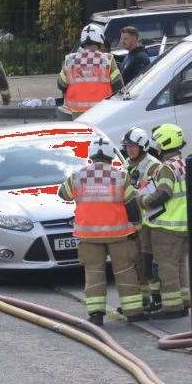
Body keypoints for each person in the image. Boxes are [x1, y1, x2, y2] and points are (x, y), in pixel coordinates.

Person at [57, 136, 145, 326]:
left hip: (88, 236)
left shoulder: (78, 176)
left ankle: (96, 315)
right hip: (119, 235)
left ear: (90, 156)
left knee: (94, 273)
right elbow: (131, 204)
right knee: (125, 271)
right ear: (110, 156)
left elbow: (62, 194)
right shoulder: (121, 176)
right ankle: (134, 313)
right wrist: (136, 226)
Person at [138, 123, 190, 319]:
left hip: (166, 228)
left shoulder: (167, 168)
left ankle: (172, 308)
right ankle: (184, 302)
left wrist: (144, 201)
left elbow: (163, 194)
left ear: (164, 143)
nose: (156, 147)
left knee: (166, 267)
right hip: (184, 225)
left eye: (158, 143)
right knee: (180, 266)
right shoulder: (184, 164)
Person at [121, 127, 163, 313]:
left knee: (149, 262)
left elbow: (155, 194)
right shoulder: (128, 164)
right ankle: (143, 300)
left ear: (143, 146)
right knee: (137, 262)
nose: (130, 149)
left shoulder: (152, 165)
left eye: (133, 146)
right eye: (127, 146)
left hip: (149, 222)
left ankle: (156, 299)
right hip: (134, 221)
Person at [58, 24, 123, 116]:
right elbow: (118, 86)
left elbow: (61, 84)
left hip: (76, 113)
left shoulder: (70, 60)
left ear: (82, 41)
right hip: (102, 112)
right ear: (101, 40)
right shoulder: (107, 60)